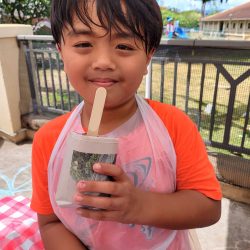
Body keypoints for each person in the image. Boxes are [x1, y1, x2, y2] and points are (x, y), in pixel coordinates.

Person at [31, 0, 222, 249]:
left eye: (123, 45)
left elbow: (208, 206)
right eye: (83, 44)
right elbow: (50, 223)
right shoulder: (49, 140)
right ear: (60, 51)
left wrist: (138, 206)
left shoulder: (174, 126)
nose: (103, 62)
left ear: (148, 55)